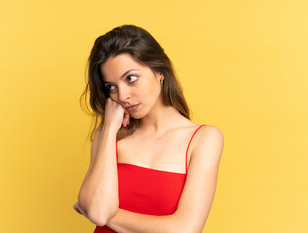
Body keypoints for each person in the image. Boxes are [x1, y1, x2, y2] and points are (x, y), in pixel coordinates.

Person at [73, 24, 224, 233]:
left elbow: (184, 230)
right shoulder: (109, 135)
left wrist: (103, 212)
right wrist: (108, 128)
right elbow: (98, 213)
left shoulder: (203, 139)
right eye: (111, 87)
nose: (122, 96)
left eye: (131, 79)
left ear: (159, 71)